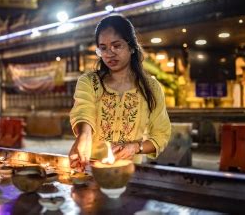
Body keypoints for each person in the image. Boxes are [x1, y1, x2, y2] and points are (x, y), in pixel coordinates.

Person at [68, 14, 171, 171]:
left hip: (130, 174)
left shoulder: (151, 87)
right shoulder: (89, 82)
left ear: (131, 47)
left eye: (117, 46)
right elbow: (84, 110)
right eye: (103, 48)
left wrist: (136, 147)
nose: (109, 53)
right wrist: (84, 136)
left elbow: (161, 135)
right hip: (91, 171)